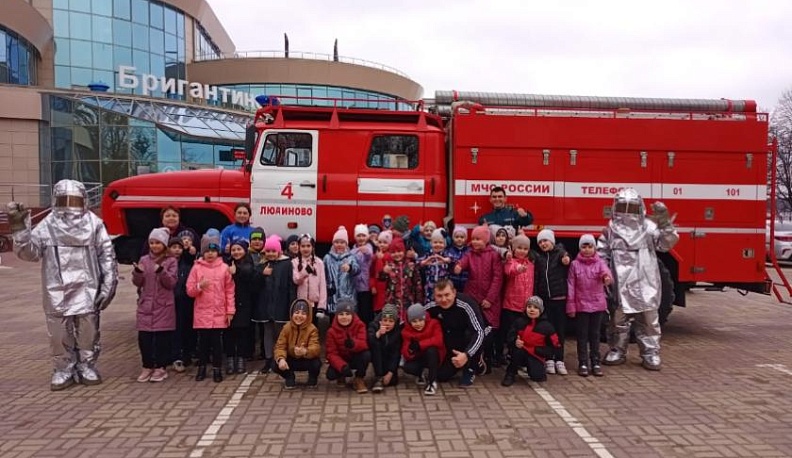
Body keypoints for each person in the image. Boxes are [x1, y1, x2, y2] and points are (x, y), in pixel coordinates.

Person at [7, 179, 118, 391]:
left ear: (84, 200)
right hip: (55, 289)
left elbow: (107, 256)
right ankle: (63, 369)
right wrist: (19, 228)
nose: (70, 205)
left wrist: (108, 287)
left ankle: (86, 366)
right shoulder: (48, 224)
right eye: (64, 200)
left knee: (88, 332)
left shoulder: (94, 223)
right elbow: (29, 253)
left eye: (74, 200)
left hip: (88, 288)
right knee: (58, 334)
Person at [598, 189, 679, 371]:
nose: (627, 211)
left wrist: (665, 223)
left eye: (632, 207)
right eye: (622, 206)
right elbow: (602, 252)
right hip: (620, 281)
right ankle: (617, 349)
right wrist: (603, 274)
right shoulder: (611, 228)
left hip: (645, 280)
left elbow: (666, 244)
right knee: (618, 318)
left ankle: (651, 352)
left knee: (649, 318)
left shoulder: (648, 227)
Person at [186, 233, 235, 383]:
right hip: (202, 312)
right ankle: (201, 368)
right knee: (203, 343)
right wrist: (199, 287)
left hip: (219, 312)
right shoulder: (196, 268)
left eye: (213, 251)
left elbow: (229, 290)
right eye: (207, 251)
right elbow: (189, 290)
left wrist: (230, 311)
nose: (210, 254)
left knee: (217, 343)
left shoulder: (224, 268)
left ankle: (217, 369)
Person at [453, 225, 503, 371]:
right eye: (473, 239)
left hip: (489, 299)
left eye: (478, 239)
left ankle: (488, 358)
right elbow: (463, 262)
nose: (475, 242)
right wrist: (458, 267)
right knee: (473, 328)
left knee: (488, 329)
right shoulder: (470, 254)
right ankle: (474, 358)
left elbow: (497, 278)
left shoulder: (493, 255)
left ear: (486, 240)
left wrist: (490, 298)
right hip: (473, 296)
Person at [133, 228, 178, 383]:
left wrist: (161, 272)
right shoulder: (144, 260)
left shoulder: (171, 261)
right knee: (144, 338)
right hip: (146, 304)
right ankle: (147, 366)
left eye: (158, 243)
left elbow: (171, 283)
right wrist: (138, 273)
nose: (154, 246)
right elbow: (138, 283)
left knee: (161, 339)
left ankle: (161, 367)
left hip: (163, 305)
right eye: (152, 243)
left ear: (164, 244)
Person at [424, 279, 489, 387]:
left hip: (480, 332)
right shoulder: (432, 305)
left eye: (447, 295)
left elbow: (479, 332)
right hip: (455, 337)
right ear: (434, 296)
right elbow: (413, 318)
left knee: (471, 335)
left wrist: (467, 355)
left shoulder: (466, 304)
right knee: (441, 376)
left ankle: (472, 367)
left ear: (454, 292)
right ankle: (460, 361)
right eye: (439, 296)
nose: (444, 299)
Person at [567, 234, 612, 377]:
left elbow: (607, 274)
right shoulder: (574, 265)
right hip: (581, 305)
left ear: (594, 248)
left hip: (597, 305)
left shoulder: (600, 263)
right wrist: (571, 306)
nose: (587, 250)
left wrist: (606, 278)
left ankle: (596, 362)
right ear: (580, 248)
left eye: (590, 246)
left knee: (595, 335)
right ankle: (583, 362)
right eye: (584, 246)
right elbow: (571, 286)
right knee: (582, 336)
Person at [252, 235, 296, 373]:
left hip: (281, 305)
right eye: (268, 251)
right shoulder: (261, 266)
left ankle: (281, 358)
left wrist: (291, 304)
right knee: (267, 333)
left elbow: (290, 286)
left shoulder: (287, 264)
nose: (271, 254)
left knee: (281, 333)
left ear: (279, 252)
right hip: (265, 306)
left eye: (273, 251)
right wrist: (262, 274)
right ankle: (269, 359)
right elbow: (254, 287)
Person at [532, 228, 570, 375]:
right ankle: (549, 359)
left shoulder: (560, 253)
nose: (543, 244)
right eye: (540, 242)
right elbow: (537, 278)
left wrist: (566, 258)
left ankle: (559, 359)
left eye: (545, 241)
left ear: (552, 241)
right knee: (547, 330)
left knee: (559, 331)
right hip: (545, 300)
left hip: (559, 299)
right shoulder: (539, 258)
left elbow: (566, 257)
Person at [501, 296, 560, 386]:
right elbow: (509, 336)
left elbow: (555, 345)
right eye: (529, 307)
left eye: (535, 307)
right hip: (520, 351)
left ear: (541, 310)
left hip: (536, 354)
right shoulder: (519, 322)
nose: (532, 310)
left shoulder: (547, 327)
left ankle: (533, 368)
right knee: (516, 352)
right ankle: (510, 373)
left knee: (538, 377)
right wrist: (515, 341)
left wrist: (540, 351)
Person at [273, 299, 322, 390]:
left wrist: (305, 351)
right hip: (291, 359)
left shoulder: (312, 329)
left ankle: (312, 377)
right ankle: (289, 377)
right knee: (275, 363)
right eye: (297, 312)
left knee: (317, 363)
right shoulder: (286, 328)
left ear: (308, 316)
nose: (299, 316)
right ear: (292, 314)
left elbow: (316, 347)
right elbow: (280, 346)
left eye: (303, 313)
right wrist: (281, 359)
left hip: (306, 359)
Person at [502, 234, 535, 364]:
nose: (522, 251)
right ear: (514, 249)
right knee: (512, 332)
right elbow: (509, 271)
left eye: (525, 248)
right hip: (511, 305)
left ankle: (521, 357)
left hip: (525, 306)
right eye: (519, 248)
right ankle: (509, 354)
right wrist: (518, 269)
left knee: (524, 333)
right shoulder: (511, 262)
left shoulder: (531, 265)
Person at [325, 299, 371, 394]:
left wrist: (353, 344)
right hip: (342, 359)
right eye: (341, 314)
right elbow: (331, 353)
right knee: (330, 374)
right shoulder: (331, 331)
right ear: (336, 316)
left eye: (347, 314)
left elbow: (364, 344)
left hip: (355, 357)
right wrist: (342, 366)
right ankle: (341, 376)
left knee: (366, 355)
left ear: (352, 315)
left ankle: (359, 378)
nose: (344, 317)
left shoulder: (360, 325)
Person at [225, 239, 256, 374]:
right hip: (228, 303)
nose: (236, 252)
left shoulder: (249, 264)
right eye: (234, 250)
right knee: (229, 333)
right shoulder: (226, 264)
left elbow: (250, 277)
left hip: (244, 303)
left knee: (243, 333)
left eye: (239, 249)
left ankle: (241, 359)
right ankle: (230, 359)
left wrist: (236, 272)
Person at [401, 303, 445, 396]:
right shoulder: (406, 331)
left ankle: (432, 382)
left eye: (421, 320)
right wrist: (410, 350)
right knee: (407, 367)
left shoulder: (434, 323)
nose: (418, 324)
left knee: (431, 350)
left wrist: (420, 344)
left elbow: (439, 340)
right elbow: (405, 352)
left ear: (425, 318)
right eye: (414, 321)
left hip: (434, 357)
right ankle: (420, 374)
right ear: (409, 322)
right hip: (419, 357)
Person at [382, 237, 423, 321]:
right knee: (394, 323)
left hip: (408, 301)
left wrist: (419, 302)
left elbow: (417, 284)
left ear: (404, 251)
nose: (397, 254)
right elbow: (381, 280)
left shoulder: (411, 265)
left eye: (399, 251)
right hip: (392, 302)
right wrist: (384, 272)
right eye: (393, 252)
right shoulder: (389, 266)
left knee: (408, 321)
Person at [324, 226, 360, 315]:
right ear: (333, 244)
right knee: (333, 319)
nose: (339, 245)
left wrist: (350, 268)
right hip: (332, 295)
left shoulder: (351, 257)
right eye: (336, 242)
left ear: (346, 244)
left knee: (347, 317)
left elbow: (357, 270)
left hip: (347, 295)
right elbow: (323, 274)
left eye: (342, 242)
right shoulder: (327, 258)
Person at [367, 303, 402, 393]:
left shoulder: (398, 331)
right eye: (385, 320)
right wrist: (378, 334)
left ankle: (384, 376)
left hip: (389, 357)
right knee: (375, 343)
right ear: (380, 320)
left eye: (391, 321)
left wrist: (390, 373)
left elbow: (396, 353)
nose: (387, 323)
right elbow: (369, 340)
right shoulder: (374, 325)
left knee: (392, 381)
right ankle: (378, 376)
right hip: (376, 355)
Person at [417, 228, 452, 304]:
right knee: (430, 304)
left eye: (440, 242)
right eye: (435, 242)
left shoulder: (446, 254)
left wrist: (445, 260)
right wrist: (424, 262)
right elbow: (418, 262)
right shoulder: (428, 254)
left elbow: (452, 259)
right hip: (430, 286)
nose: (438, 244)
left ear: (444, 244)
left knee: (443, 302)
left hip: (443, 285)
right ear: (431, 243)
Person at [351, 224, 375, 324]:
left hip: (366, 285)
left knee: (365, 311)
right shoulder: (353, 249)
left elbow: (369, 254)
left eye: (363, 235)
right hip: (355, 285)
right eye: (359, 235)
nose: (361, 238)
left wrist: (363, 250)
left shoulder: (368, 248)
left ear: (367, 237)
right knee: (357, 310)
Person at [447, 226, 470, 292]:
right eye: (457, 237)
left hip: (465, 281)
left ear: (465, 238)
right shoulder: (449, 250)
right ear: (453, 238)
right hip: (453, 280)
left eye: (462, 237)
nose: (459, 239)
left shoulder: (469, 251)